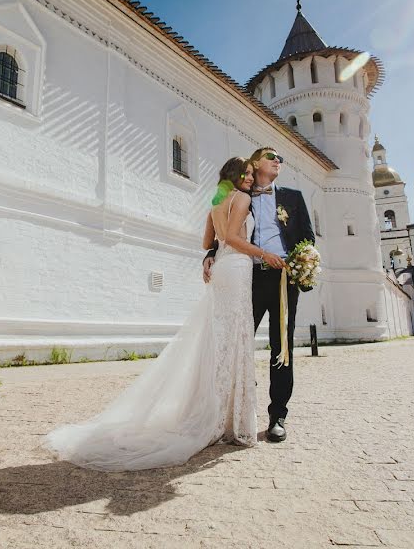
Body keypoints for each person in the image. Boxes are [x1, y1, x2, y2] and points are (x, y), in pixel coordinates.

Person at [43, 157, 285, 471]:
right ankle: (229, 418)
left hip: (222, 268)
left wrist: (217, 251)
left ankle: (217, 410)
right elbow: (238, 240)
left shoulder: (215, 201)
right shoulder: (240, 198)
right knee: (233, 338)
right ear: (237, 175)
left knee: (220, 338)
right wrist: (264, 253)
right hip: (238, 268)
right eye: (249, 173)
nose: (252, 178)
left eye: (254, 174)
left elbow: (206, 242)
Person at [204, 147, 314, 443]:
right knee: (237, 342)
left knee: (282, 348)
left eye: (281, 157)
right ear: (254, 164)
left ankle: (277, 415)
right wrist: (211, 254)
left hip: (283, 280)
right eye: (271, 156)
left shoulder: (293, 197)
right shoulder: (242, 195)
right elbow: (227, 232)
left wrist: (303, 263)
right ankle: (239, 411)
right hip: (248, 277)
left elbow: (307, 237)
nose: (279, 160)